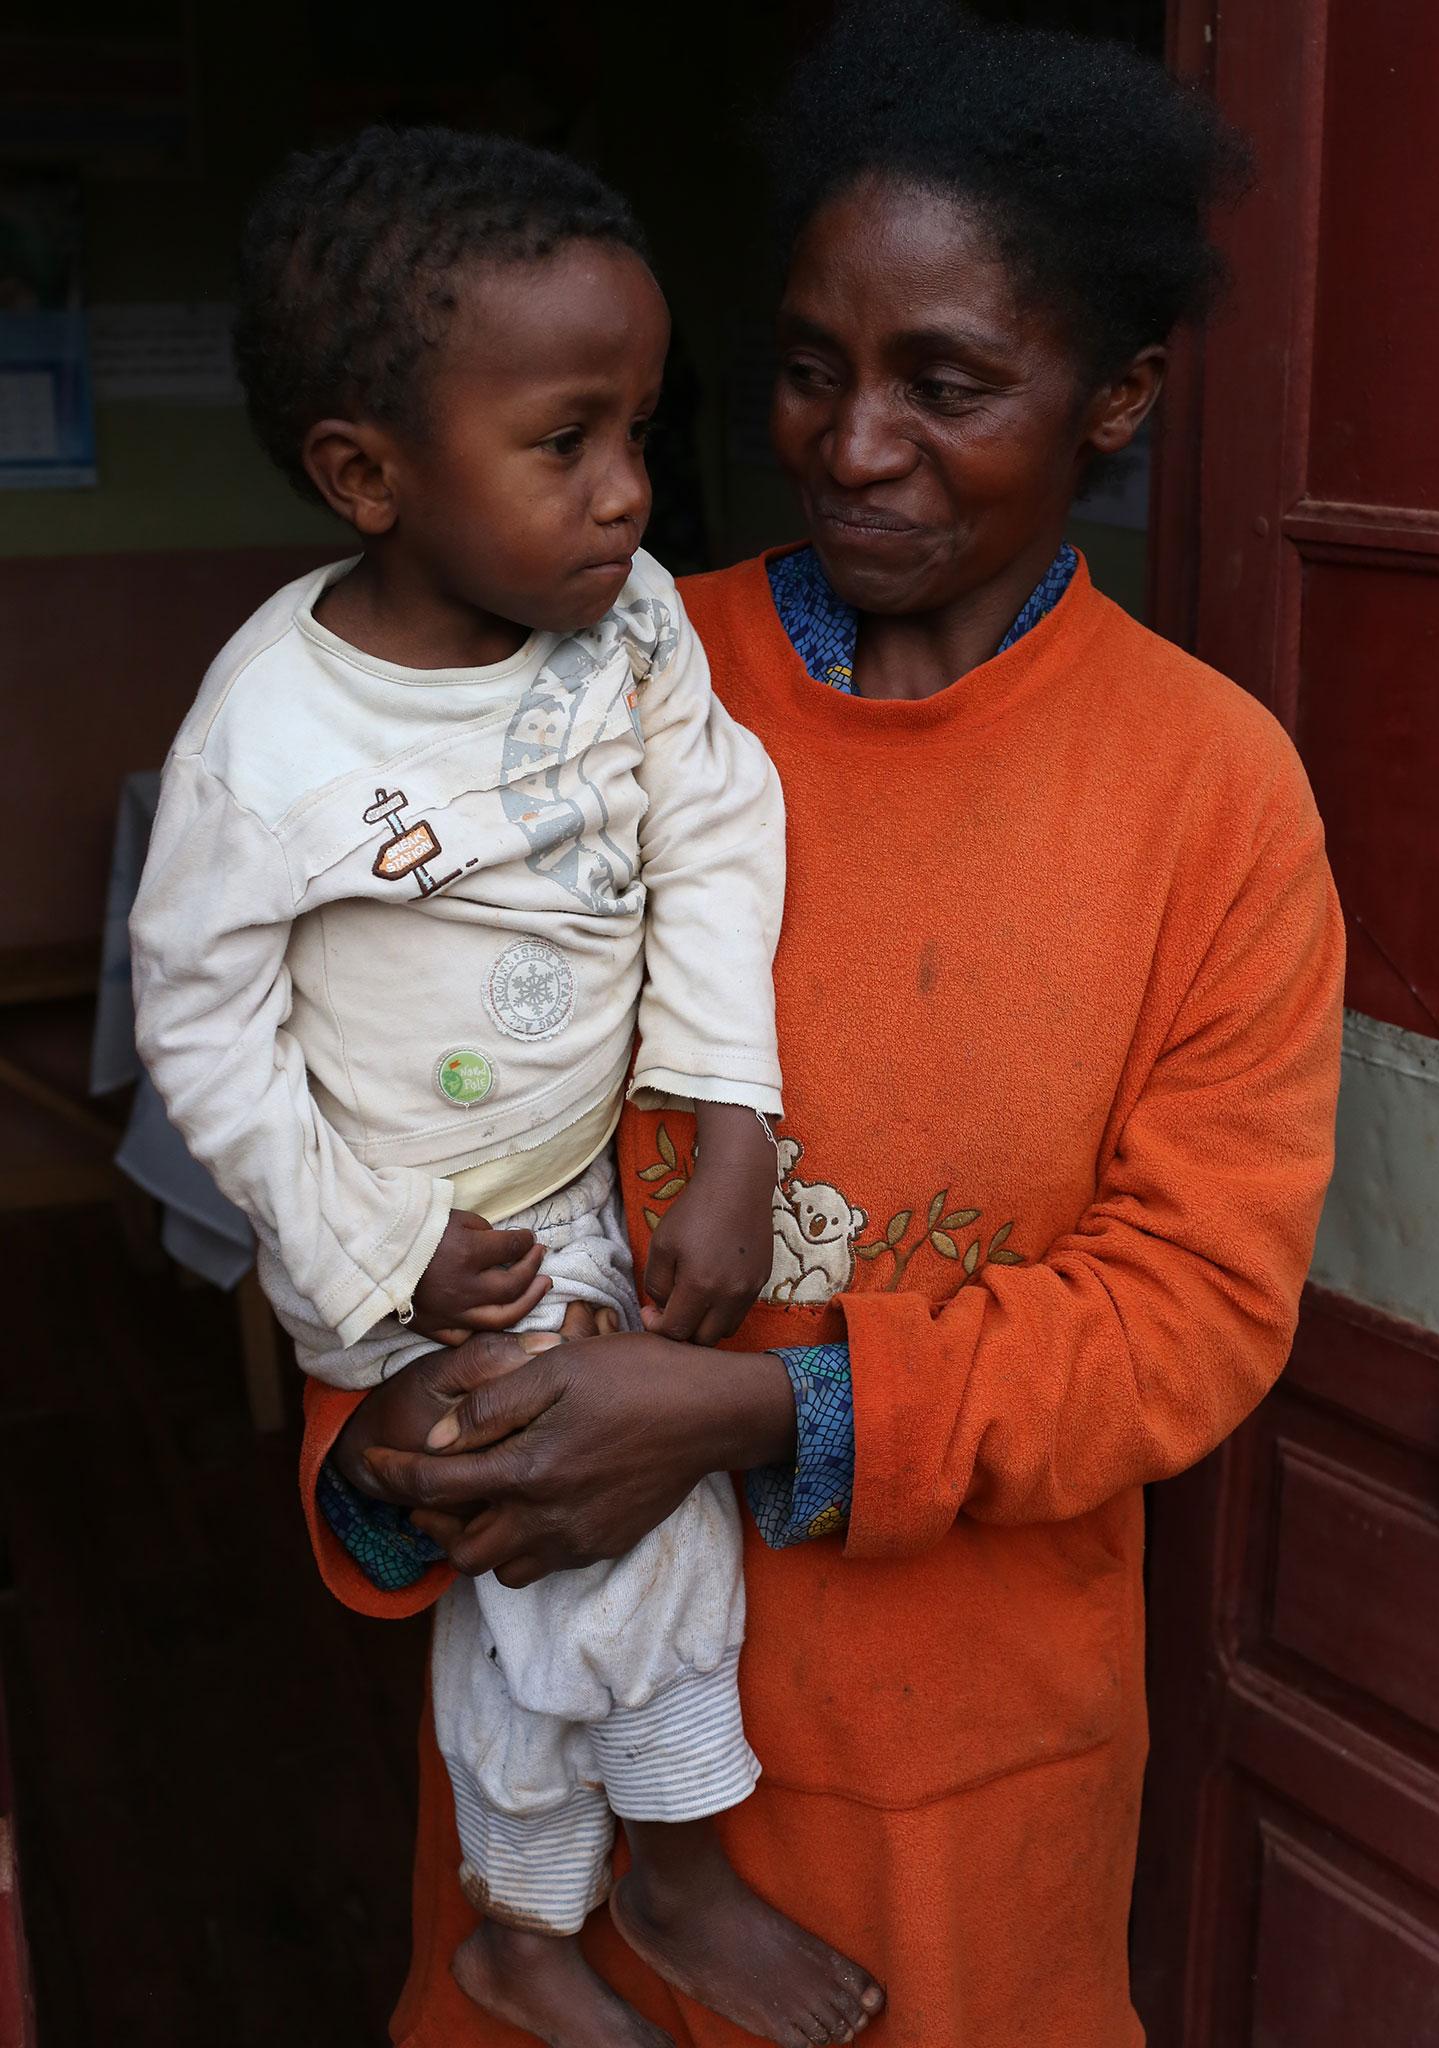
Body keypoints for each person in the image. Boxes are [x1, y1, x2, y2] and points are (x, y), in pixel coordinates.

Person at [304, 9, 1345, 2046]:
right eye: (808, 369)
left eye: (945, 385)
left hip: (950, 1782)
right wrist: (394, 1448)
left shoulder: (1207, 792)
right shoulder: (584, 689)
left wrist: (761, 1413)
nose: (855, 443)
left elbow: (1194, 1311)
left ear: (1117, 395)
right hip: (564, 1759)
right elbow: (396, 1100)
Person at [129, 128, 883, 2048]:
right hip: (402, 1245)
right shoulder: (269, 736)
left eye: (643, 426)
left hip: (576, 1192)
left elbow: (719, 830)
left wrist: (730, 1127)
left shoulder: (627, 637)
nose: (634, 494)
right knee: (617, 1527)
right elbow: (202, 1021)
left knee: (520, 1571)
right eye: (567, 441)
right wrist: (381, 1247)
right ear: (366, 477)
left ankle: (523, 1919)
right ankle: (680, 1873)